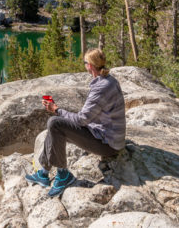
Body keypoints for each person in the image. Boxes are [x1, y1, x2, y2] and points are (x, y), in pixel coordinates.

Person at [25, 48, 126, 197]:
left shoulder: (101, 87)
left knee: (55, 123)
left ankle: (63, 175)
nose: (84, 65)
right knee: (54, 126)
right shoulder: (109, 80)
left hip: (108, 145)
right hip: (106, 135)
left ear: (90, 66)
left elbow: (81, 120)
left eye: (85, 62)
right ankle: (44, 173)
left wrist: (56, 109)